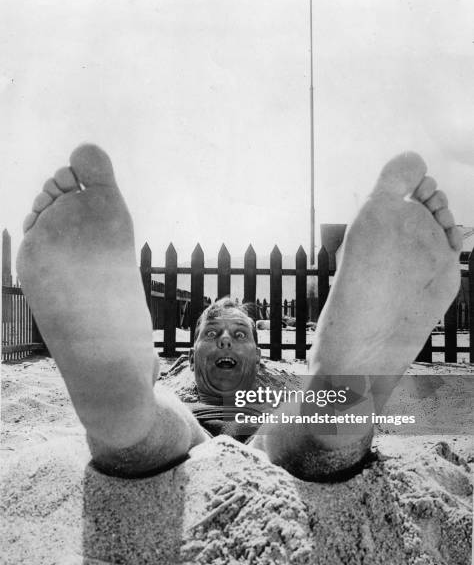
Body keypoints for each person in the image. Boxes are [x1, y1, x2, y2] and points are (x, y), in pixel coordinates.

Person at [17, 144, 462, 480]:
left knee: (301, 416)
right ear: (188, 356)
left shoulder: (277, 385)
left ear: (258, 356)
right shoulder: (177, 378)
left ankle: (340, 394)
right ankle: (122, 407)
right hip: (189, 430)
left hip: (270, 433)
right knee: (162, 413)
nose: (225, 340)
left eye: (239, 334)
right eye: (212, 334)